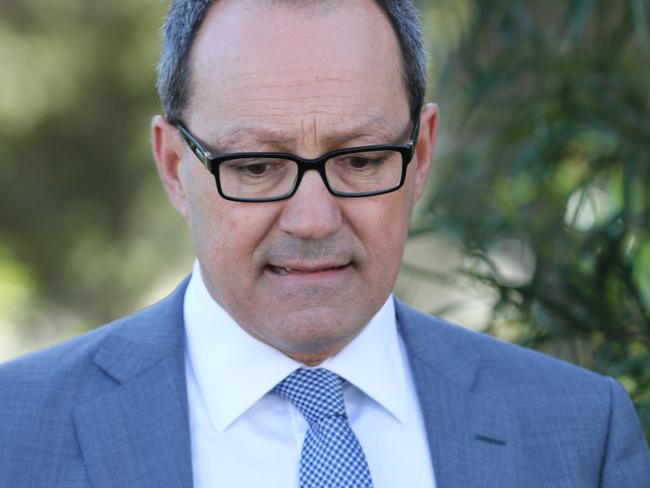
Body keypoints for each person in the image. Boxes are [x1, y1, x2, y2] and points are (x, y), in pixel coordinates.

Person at [1, 0, 648, 486]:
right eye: (257, 166)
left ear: (421, 155)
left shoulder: (578, 434)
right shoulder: (17, 434)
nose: (312, 220)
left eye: (361, 160)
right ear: (174, 166)